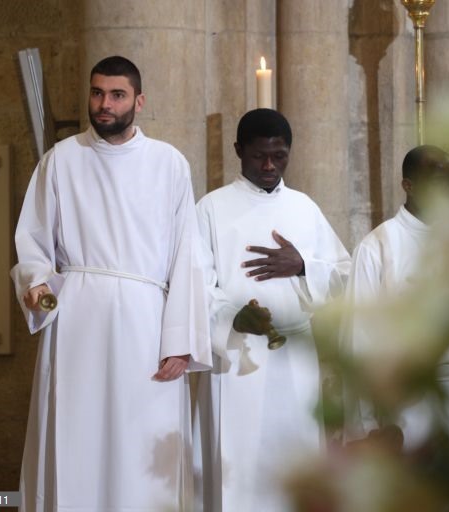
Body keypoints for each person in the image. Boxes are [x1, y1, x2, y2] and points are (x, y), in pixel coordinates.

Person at [10, 56, 211, 512]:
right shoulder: (61, 159)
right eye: (97, 93)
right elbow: (33, 239)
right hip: (77, 320)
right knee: (75, 435)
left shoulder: (168, 164)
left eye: (117, 95)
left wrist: (180, 341)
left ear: (139, 100)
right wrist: (37, 283)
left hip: (146, 325)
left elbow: (187, 256)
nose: (105, 104)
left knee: (142, 444)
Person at [192, 108, 351, 512]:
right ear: (238, 151)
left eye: (279, 156)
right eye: (258, 155)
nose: (268, 166)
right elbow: (195, 286)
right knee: (238, 472)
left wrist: (302, 266)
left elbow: (346, 276)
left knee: (293, 468)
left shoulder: (304, 208)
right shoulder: (210, 209)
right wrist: (232, 316)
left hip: (296, 360)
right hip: (236, 361)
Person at [344, 145, 449, 451]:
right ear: (408, 185)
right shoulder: (378, 246)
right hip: (403, 407)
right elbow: (359, 341)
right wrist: (368, 427)